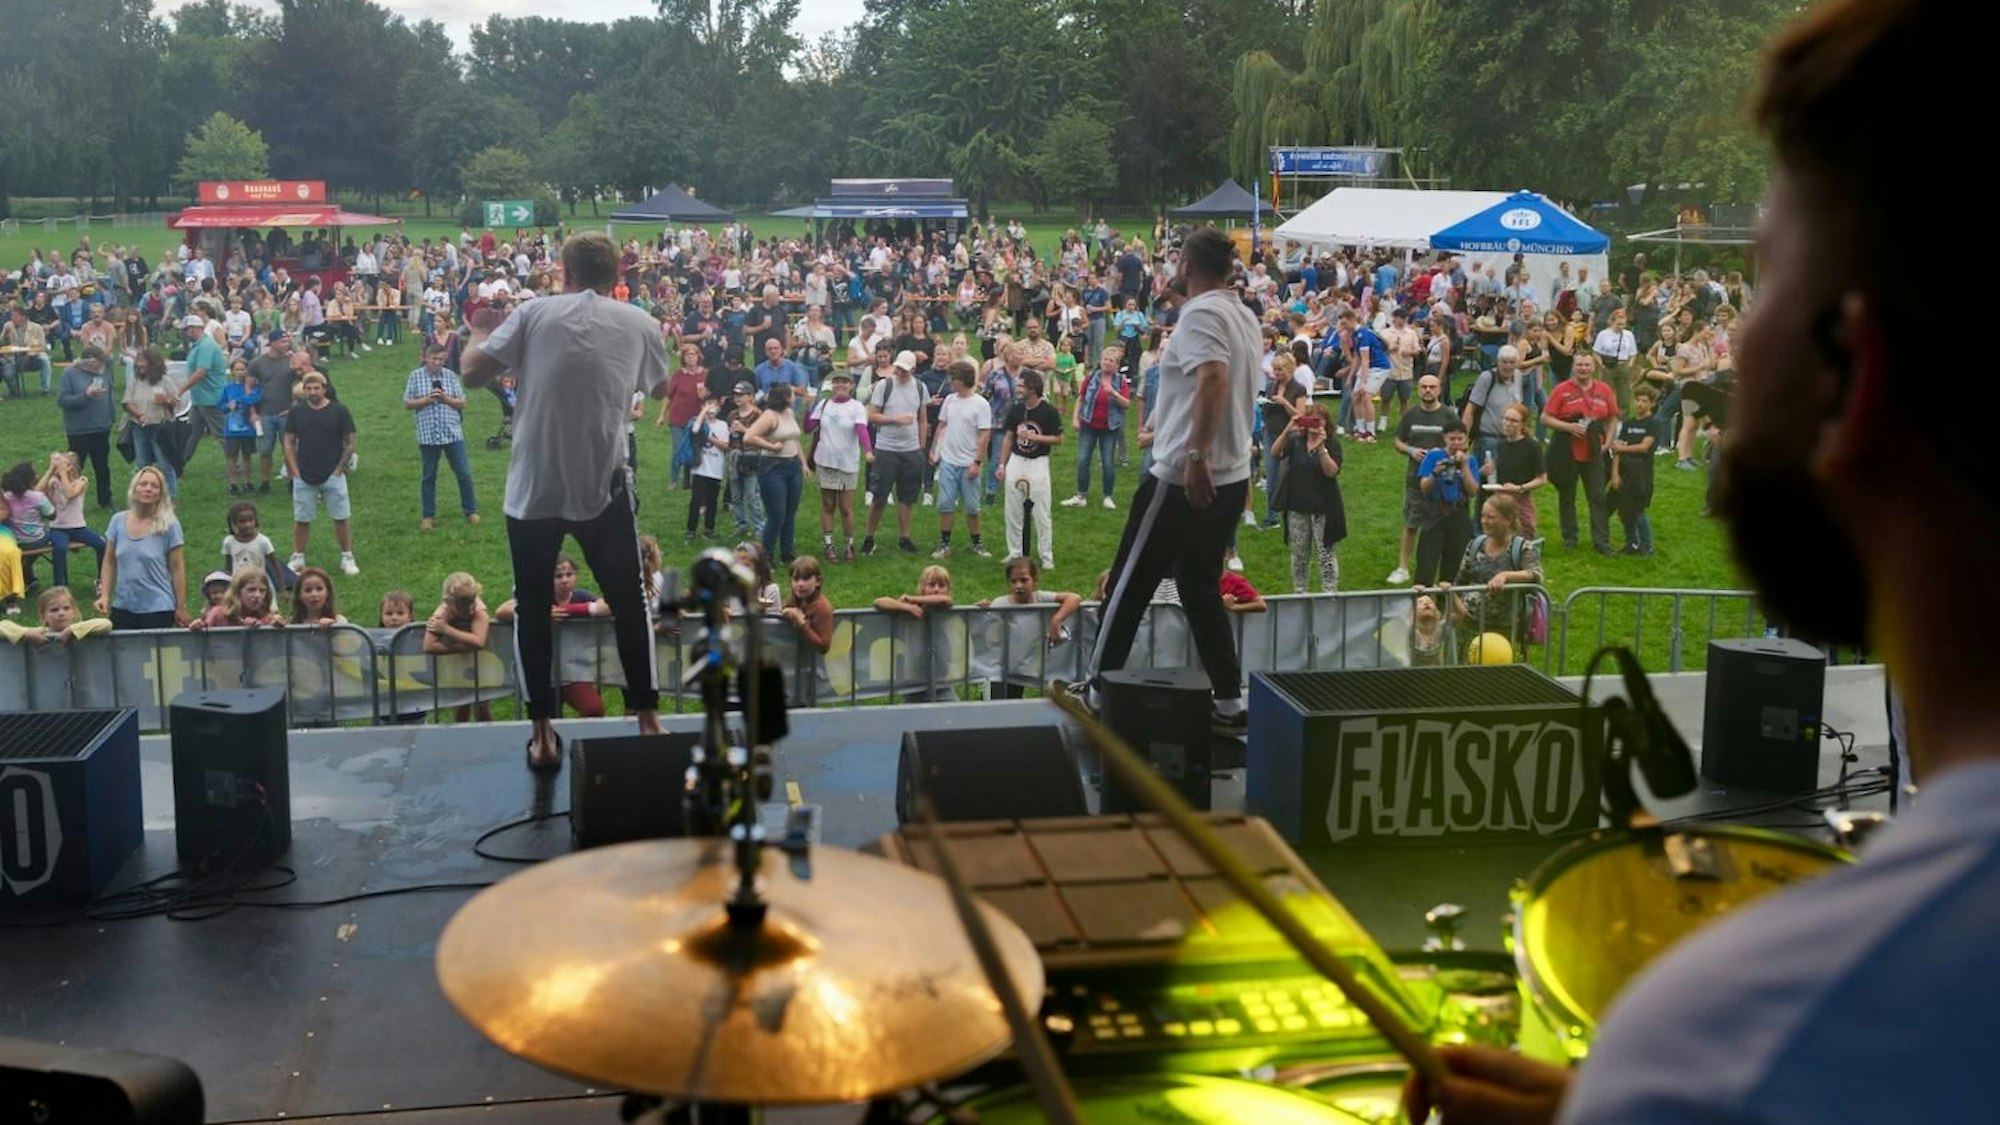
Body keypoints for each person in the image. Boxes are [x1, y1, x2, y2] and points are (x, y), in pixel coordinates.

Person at [1411, 4, 2000, 1121]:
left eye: (1764, 281)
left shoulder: (1746, 1035)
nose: (1724, 351)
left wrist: (1658, 1094)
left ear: (1851, 376)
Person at [462, 232, 670, 770]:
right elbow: (662, 388)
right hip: (604, 484)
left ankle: (542, 732)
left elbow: (472, 372)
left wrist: (480, 331)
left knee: (533, 606)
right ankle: (648, 719)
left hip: (535, 486)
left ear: (563, 270)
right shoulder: (641, 322)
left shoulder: (533, 314)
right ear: (618, 270)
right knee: (630, 601)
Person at [1063, 227, 1259, 735]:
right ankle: (1229, 701)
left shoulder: (1201, 313)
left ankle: (1098, 691)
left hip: (1181, 476)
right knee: (1199, 588)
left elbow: (1213, 378)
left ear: (1190, 267)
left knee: (1129, 582)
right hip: (1232, 476)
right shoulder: (1242, 313)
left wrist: (1194, 456)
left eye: (1177, 260)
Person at [282, 369, 360, 576]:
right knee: (302, 518)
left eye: (317, 388)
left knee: (341, 516)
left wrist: (339, 469)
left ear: (325, 389)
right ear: (304, 390)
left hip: (333, 474)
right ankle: (298, 556)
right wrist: (294, 470)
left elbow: (351, 441)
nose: (313, 392)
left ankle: (347, 556)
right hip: (304, 474)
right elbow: (289, 441)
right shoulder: (297, 412)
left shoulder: (339, 411)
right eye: (309, 388)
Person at [1440, 493, 1544, 649]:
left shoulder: (1522, 548)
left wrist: (1506, 576)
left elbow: (1536, 575)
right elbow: (1460, 581)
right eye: (1482, 516)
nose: (1484, 521)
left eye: (1491, 517)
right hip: (1469, 625)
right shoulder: (1475, 545)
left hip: (1503, 629)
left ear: (1508, 519)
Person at [1268, 385, 1345, 594]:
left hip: (1324, 509)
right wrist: (1288, 429)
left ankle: (1329, 592)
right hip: (1297, 506)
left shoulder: (1332, 444)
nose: (1314, 423)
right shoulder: (1295, 441)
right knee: (1299, 554)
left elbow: (1331, 472)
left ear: (1326, 424)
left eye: (1319, 420)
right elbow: (1275, 452)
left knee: (1325, 553)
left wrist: (1321, 448)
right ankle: (1299, 591)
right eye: (1311, 418)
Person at [1541, 351, 1619, 554]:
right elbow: (1545, 418)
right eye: (1579, 365)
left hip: (1594, 450)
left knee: (1597, 496)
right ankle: (1570, 538)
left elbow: (1612, 418)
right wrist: (1568, 428)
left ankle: (1601, 541)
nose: (1583, 369)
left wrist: (1608, 442)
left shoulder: (1604, 389)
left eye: (1587, 365)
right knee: (1567, 496)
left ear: (1593, 367)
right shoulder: (1562, 390)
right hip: (1566, 450)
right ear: (1573, 367)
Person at [95, 465, 189, 629]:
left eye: (154, 486)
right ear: (134, 488)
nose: (148, 489)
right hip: (124, 605)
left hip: (158, 607)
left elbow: (177, 567)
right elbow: (109, 562)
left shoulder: (169, 524)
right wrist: (104, 595)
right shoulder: (117, 521)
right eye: (143, 484)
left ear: (160, 494)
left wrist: (180, 606)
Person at [1388, 374, 1458, 584]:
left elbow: (1458, 442)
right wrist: (1411, 450)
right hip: (1415, 479)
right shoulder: (1411, 414)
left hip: (1442, 481)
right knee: (1411, 524)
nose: (1428, 390)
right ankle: (1403, 567)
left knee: (1442, 526)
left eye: (1432, 387)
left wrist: (1442, 455)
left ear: (1439, 389)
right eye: (1424, 387)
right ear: (1419, 389)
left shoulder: (1449, 415)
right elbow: (1398, 441)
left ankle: (1438, 569)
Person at [403, 343, 480, 531]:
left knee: (464, 473)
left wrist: (445, 399)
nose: (437, 363)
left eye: (441, 360)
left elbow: (462, 403)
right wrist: (427, 400)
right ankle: (428, 516)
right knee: (428, 476)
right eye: (434, 359)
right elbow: (407, 403)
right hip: (428, 434)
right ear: (426, 358)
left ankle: (470, 510)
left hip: (452, 433)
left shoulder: (451, 376)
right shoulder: (415, 376)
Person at [860, 350, 930, 556]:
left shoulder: (920, 387)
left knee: (907, 496)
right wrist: (894, 420)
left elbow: (923, 418)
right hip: (886, 449)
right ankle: (869, 537)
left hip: (911, 450)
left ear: (913, 370)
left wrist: (921, 446)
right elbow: (871, 416)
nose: (899, 372)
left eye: (904, 369)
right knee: (879, 496)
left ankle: (905, 537)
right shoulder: (884, 385)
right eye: (897, 368)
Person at [997, 369, 1063, 570]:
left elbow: (1058, 439)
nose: (1018, 389)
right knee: (1013, 509)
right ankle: (1015, 552)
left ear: (1032, 388)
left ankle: (1046, 555)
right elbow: (1009, 437)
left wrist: (1035, 438)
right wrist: (1002, 464)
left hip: (1038, 462)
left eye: (1021, 386)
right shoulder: (1016, 410)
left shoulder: (1049, 412)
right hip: (1017, 460)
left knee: (1041, 511)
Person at [807, 369, 873, 562]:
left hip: (847, 462)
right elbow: (809, 427)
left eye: (844, 382)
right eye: (837, 382)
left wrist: (868, 450)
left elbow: (862, 430)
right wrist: (810, 407)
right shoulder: (825, 404)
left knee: (846, 507)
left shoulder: (856, 407)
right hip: (826, 460)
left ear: (851, 385)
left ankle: (848, 544)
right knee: (828, 504)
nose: (840, 385)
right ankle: (829, 545)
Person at [930, 360, 993, 559]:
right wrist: (934, 450)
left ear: (962, 380)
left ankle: (977, 542)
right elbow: (941, 426)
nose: (950, 382)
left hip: (968, 463)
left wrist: (977, 462)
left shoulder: (980, 404)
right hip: (948, 460)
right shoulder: (949, 400)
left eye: (953, 379)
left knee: (973, 507)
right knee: (945, 504)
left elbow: (984, 435)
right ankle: (944, 543)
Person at [742, 382, 808, 565]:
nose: (795, 395)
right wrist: (771, 446)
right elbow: (749, 436)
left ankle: (787, 553)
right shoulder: (769, 416)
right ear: (785, 397)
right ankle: (766, 555)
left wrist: (803, 463)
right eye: (792, 393)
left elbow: (794, 439)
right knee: (776, 515)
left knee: (789, 513)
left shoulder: (789, 412)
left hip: (793, 465)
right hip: (773, 468)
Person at [1413, 421, 1482, 587]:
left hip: (1459, 512)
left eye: (1460, 439)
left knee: (1455, 564)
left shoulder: (1470, 460)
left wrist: (1464, 467)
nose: (1456, 443)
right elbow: (1424, 487)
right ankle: (1422, 603)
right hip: (1435, 512)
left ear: (1466, 439)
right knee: (1427, 562)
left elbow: (1473, 491)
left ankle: (1449, 605)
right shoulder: (1434, 456)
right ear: (1444, 438)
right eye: (1452, 439)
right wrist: (1436, 473)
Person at [1063, 346, 1131, 509]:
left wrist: (1113, 393)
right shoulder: (1091, 377)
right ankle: (1081, 495)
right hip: (1088, 424)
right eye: (1105, 359)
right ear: (1100, 361)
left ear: (1116, 365)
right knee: (1083, 459)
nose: (1107, 363)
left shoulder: (1120, 381)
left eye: (1111, 361)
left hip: (1110, 427)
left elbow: (1127, 404)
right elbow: (1080, 398)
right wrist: (1075, 419)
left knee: (1107, 462)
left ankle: (1108, 496)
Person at [423, 572, 494, 724]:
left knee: (482, 707)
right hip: (457, 664)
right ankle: (460, 741)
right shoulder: (442, 613)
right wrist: (462, 647)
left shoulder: (479, 610)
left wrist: (446, 630)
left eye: (471, 601)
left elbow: (479, 641)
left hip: (481, 662)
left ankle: (489, 740)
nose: (469, 608)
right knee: (461, 706)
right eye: (463, 603)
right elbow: (428, 646)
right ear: (448, 602)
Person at [55, 346, 116, 509]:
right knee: (75, 466)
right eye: (93, 364)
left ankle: (105, 500)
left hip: (101, 427)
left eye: (98, 363)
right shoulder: (70, 374)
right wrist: (86, 396)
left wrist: (98, 351)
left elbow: (110, 358)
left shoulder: (105, 369)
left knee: (102, 465)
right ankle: (69, 497)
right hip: (79, 429)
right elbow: (62, 400)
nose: (96, 368)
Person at [41, 453, 107, 593]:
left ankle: (101, 580)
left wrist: (63, 474)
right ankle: (60, 586)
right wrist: (49, 471)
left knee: (101, 544)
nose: (60, 469)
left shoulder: (81, 481)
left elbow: (70, 494)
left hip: (78, 527)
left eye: (65, 465)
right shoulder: (53, 482)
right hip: (58, 527)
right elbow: (36, 493)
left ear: (72, 467)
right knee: (60, 548)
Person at [1483, 403, 1549, 541]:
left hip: (1521, 499)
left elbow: (1542, 479)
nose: (1508, 423)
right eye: (1505, 419)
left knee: (1522, 538)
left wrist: (1519, 488)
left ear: (1523, 424)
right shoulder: (1501, 444)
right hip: (1500, 498)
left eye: (1513, 421)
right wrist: (1490, 469)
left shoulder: (1532, 446)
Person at [1608, 384, 1661, 556]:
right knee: (1624, 509)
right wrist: (1615, 474)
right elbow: (1617, 450)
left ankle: (1647, 546)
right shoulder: (1628, 424)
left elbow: (1644, 447)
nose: (1640, 404)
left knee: (1637, 509)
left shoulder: (1653, 424)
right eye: (1638, 400)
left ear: (1652, 404)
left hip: (1641, 473)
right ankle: (1631, 543)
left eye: (1644, 401)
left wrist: (1622, 449)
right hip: (1624, 471)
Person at [683, 393, 730, 545]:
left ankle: (709, 528)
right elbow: (696, 430)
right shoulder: (697, 422)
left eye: (714, 404)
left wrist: (709, 437)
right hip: (700, 470)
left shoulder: (722, 425)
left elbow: (725, 446)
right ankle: (691, 529)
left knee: (712, 501)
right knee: (696, 501)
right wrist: (703, 413)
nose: (711, 408)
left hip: (715, 470)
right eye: (708, 404)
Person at [0, 586, 111, 645]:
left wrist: (72, 630)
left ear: (74, 612)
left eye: (66, 608)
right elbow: (2, 626)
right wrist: (25, 633)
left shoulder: (83, 629)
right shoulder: (40, 632)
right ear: (43, 616)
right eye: (54, 610)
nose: (61, 613)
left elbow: (106, 624)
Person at [219, 357, 262, 496]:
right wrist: (227, 406)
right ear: (232, 372)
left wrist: (237, 401)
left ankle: (247, 481)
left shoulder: (252, 387)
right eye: (236, 369)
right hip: (232, 429)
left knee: (247, 456)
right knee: (231, 457)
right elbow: (221, 405)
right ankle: (232, 483)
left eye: (243, 369)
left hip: (248, 428)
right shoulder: (227, 388)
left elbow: (254, 398)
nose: (240, 372)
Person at [779, 555, 834, 657]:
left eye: (806, 579)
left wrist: (802, 624)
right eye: (796, 579)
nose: (800, 584)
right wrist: (786, 611)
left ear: (818, 581)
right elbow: (785, 610)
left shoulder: (822, 607)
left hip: (814, 665)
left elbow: (824, 646)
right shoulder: (795, 598)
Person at [193, 567, 281, 629]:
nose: (257, 595)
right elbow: (201, 642)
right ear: (238, 591)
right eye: (251, 590)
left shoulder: (268, 619)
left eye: (262, 591)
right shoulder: (218, 614)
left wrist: (276, 627)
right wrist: (197, 627)